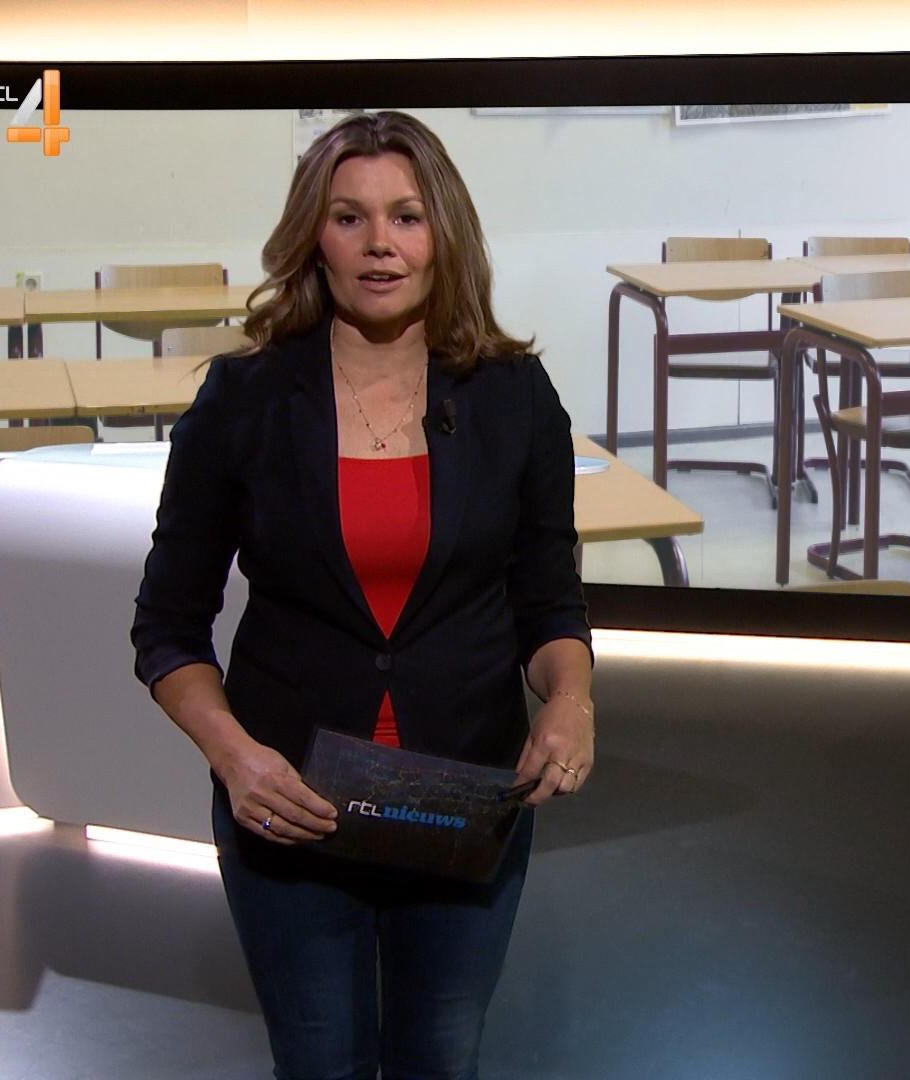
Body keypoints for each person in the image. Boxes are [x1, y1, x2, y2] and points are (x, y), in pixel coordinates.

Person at [130, 110, 594, 1080]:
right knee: (319, 1064)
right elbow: (167, 628)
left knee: (440, 1062)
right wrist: (235, 758)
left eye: (406, 217)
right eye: (350, 218)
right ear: (315, 239)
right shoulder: (243, 402)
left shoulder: (514, 397)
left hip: (460, 797)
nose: (381, 243)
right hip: (290, 803)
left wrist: (571, 698)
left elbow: (549, 603)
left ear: (443, 235)